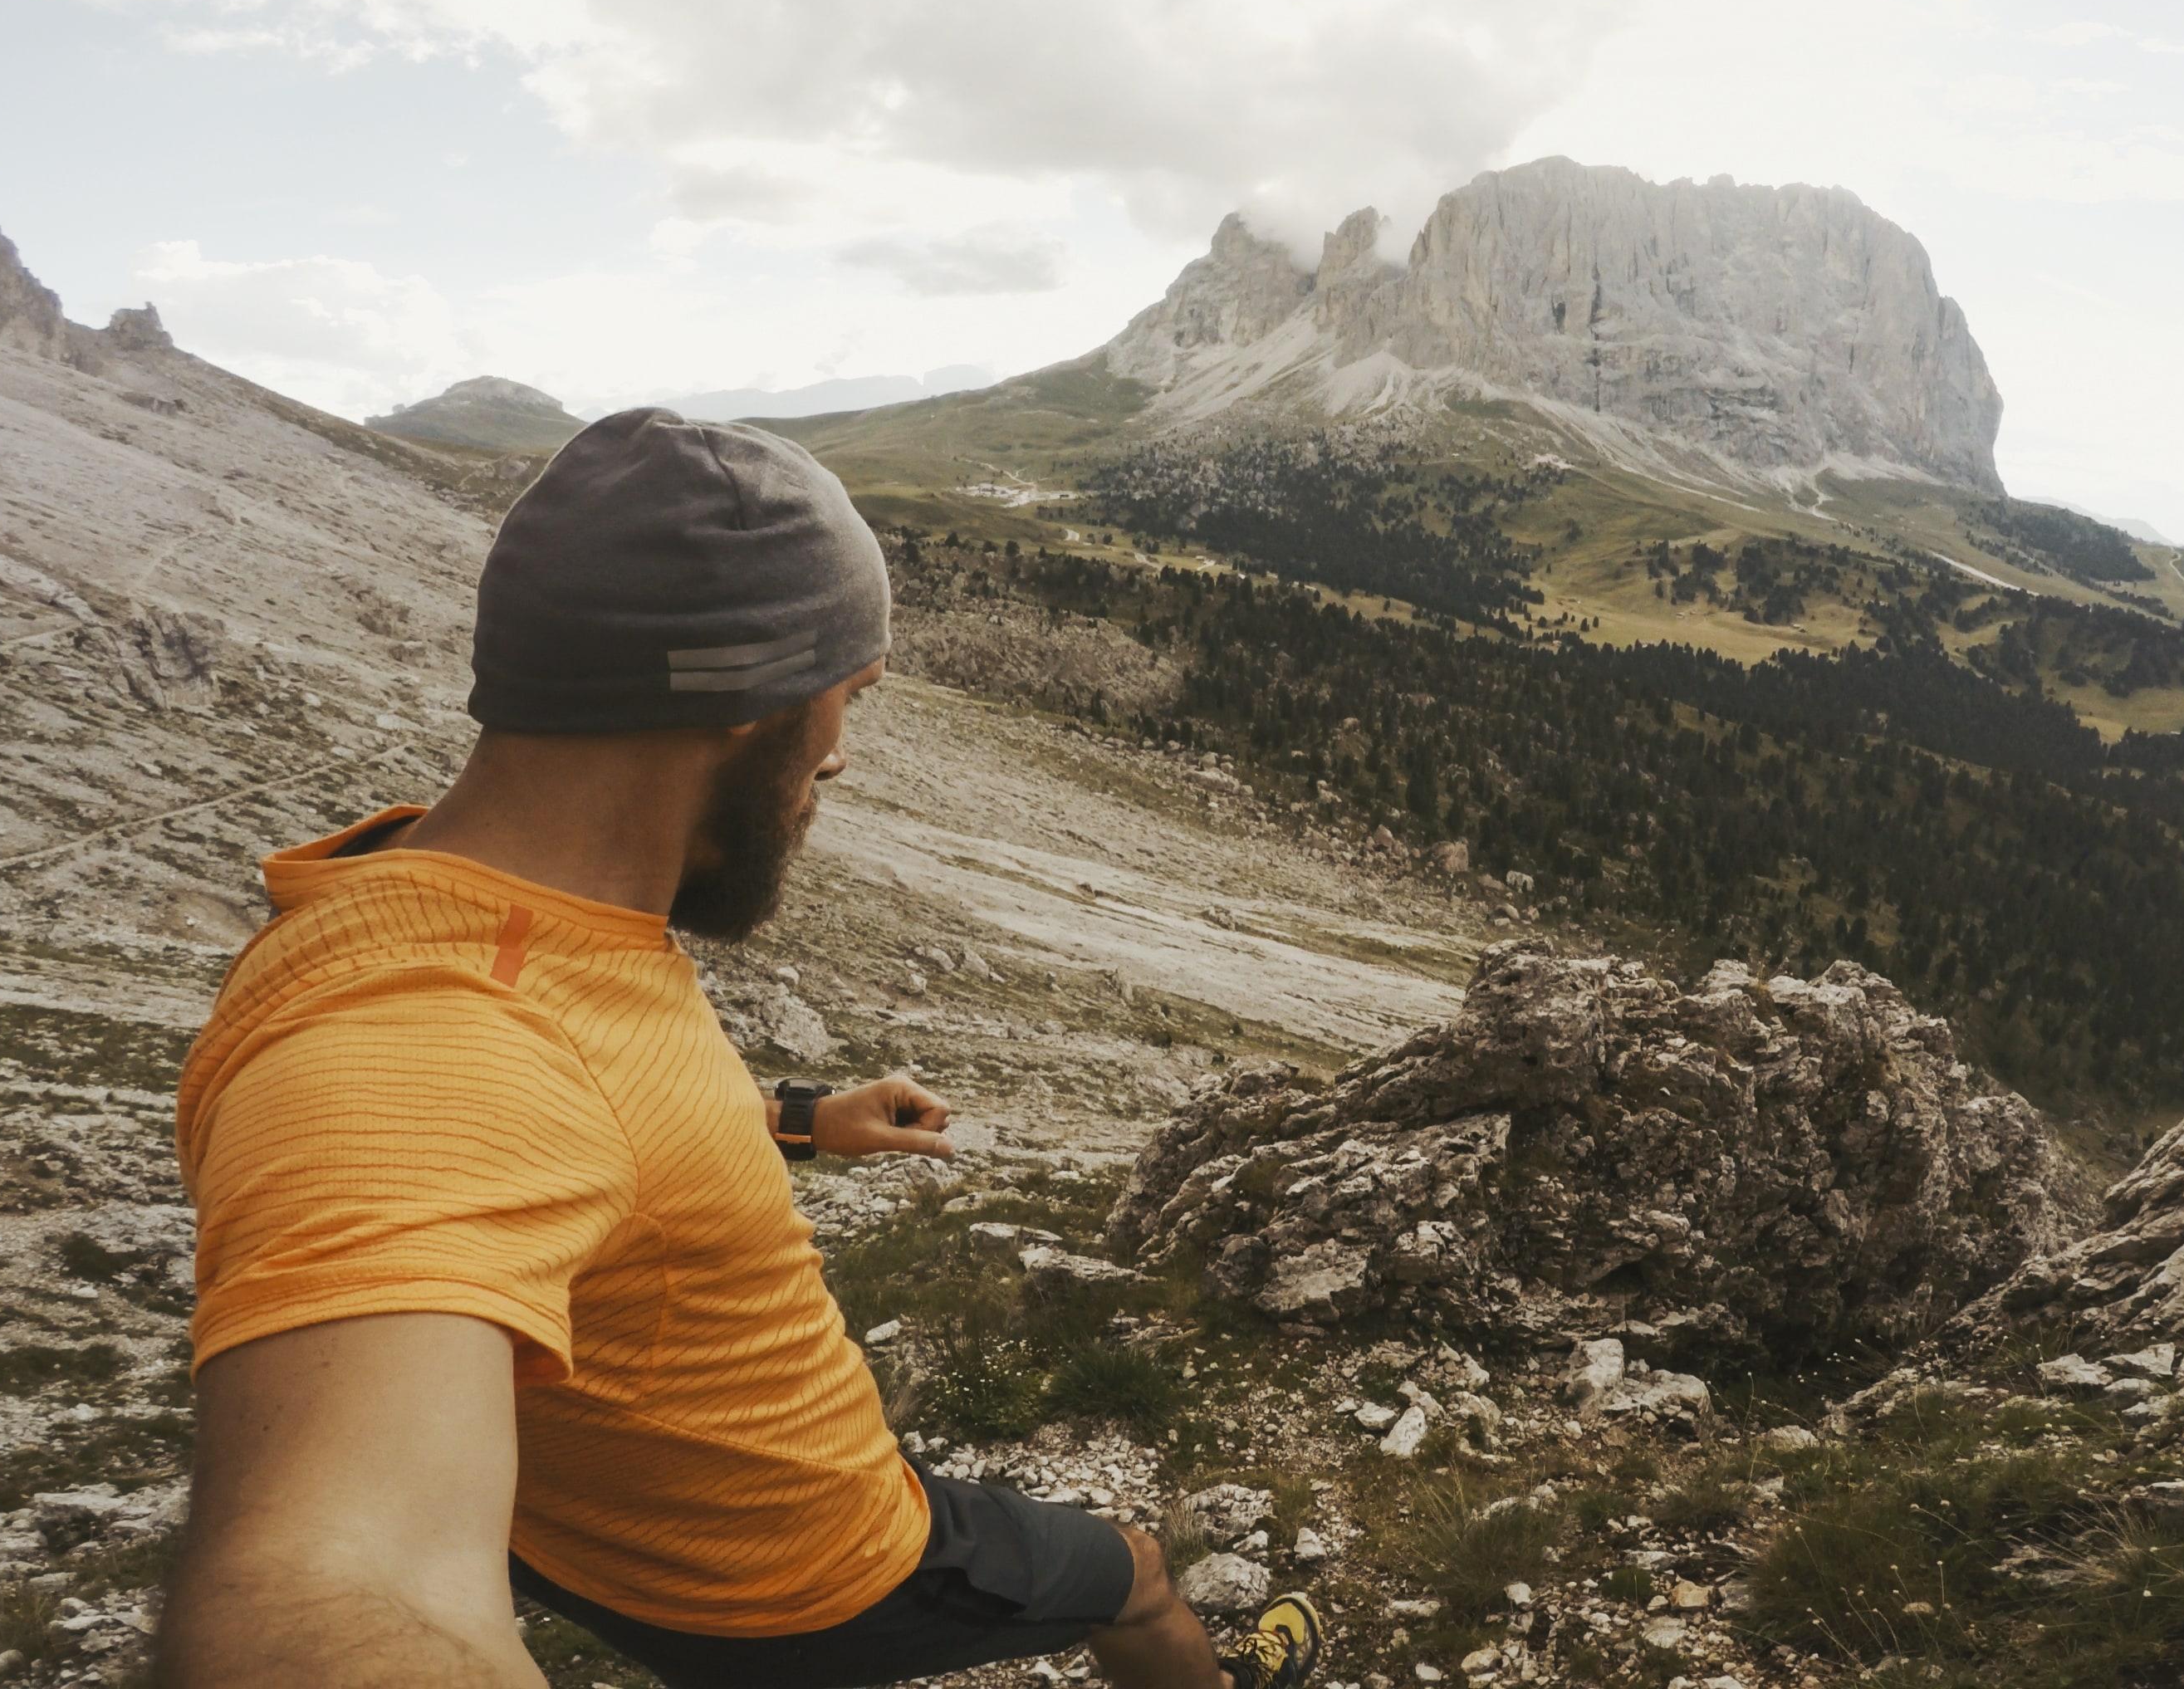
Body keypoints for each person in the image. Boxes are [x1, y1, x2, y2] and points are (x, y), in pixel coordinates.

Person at [154, 410, 1322, 1689]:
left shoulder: (410, 898)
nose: (841, 753)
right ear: (740, 695)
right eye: (846, 694)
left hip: (588, 1550)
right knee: (1141, 1579)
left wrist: (801, 1120)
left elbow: (587, 1124)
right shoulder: (431, 1037)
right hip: (808, 1561)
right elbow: (327, 1584)